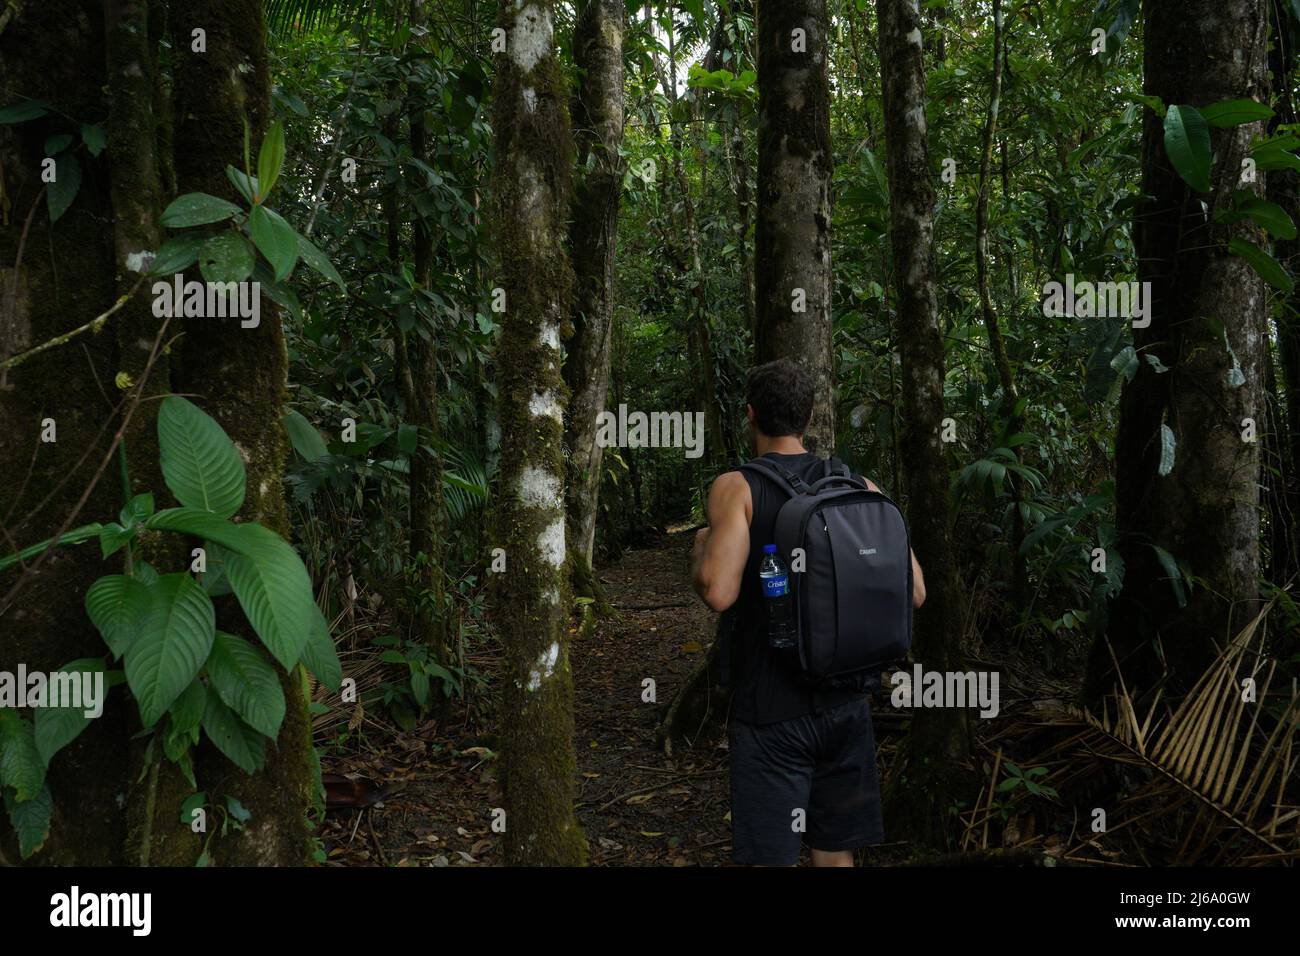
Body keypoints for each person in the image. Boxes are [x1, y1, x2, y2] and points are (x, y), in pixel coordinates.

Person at [689, 359, 926, 866]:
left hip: (771, 713)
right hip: (846, 706)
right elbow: (918, 592)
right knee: (835, 856)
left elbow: (718, 591)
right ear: (810, 416)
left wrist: (700, 551)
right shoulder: (858, 486)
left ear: (749, 415)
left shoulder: (738, 487)